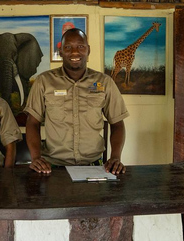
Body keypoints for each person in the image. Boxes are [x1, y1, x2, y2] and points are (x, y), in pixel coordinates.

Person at [24, 28, 129, 174]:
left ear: (88, 50)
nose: (74, 52)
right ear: (60, 52)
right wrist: (36, 158)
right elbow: (32, 122)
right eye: (68, 47)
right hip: (53, 168)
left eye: (80, 46)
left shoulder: (104, 82)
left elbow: (117, 123)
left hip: (94, 167)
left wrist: (115, 157)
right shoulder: (44, 81)